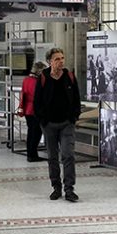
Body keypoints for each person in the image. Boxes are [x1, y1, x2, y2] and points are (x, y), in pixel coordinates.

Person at [33, 47, 82, 201]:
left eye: (62, 58)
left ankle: (69, 189)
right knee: (53, 157)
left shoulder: (69, 76)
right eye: (57, 59)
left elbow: (76, 100)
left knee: (68, 155)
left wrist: (73, 118)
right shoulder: (43, 78)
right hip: (49, 125)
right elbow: (37, 102)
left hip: (66, 123)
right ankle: (56, 187)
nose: (61, 61)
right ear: (50, 62)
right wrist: (43, 121)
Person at [17, 62, 46, 162]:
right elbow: (37, 97)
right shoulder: (36, 82)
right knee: (36, 133)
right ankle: (32, 155)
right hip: (35, 110)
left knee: (31, 133)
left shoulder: (26, 80)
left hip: (27, 110)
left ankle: (30, 153)